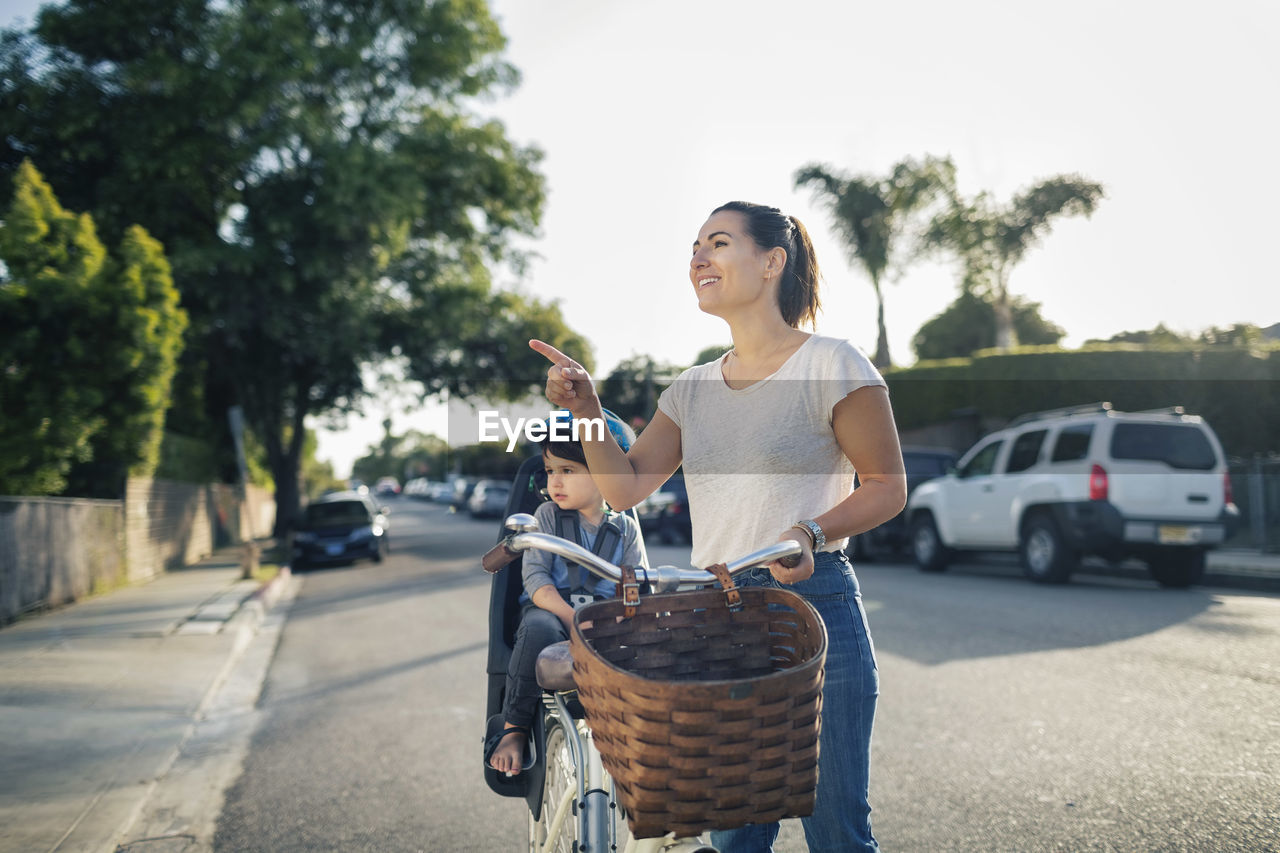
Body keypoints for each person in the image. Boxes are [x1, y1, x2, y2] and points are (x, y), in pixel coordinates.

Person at [529, 200, 906, 852]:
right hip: (723, 617)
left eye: (719, 243)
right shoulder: (691, 390)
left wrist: (809, 532)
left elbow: (887, 485)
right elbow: (623, 488)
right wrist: (588, 405)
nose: (698, 257)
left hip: (817, 610)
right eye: (696, 245)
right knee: (734, 841)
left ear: (771, 262)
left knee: (840, 833)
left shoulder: (832, 364)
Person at [485, 425, 644, 776]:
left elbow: (635, 585)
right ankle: (514, 728)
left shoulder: (626, 530)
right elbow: (535, 578)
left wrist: (621, 618)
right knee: (539, 629)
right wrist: (570, 616)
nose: (554, 482)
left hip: (602, 616)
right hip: (551, 609)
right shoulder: (547, 517)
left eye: (567, 471)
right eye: (550, 471)